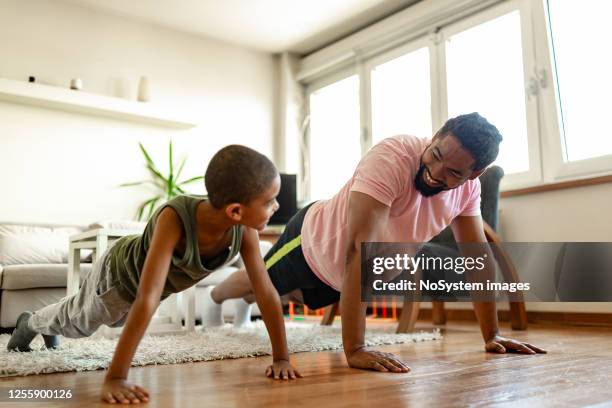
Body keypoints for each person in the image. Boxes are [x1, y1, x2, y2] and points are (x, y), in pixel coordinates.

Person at [208, 112, 546, 374]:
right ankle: (216, 296)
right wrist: (355, 349)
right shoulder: (392, 158)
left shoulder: (468, 191)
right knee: (259, 282)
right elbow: (359, 250)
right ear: (436, 135)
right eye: (437, 153)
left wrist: (492, 335)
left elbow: (476, 260)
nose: (436, 171)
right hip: (313, 242)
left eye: (454, 172)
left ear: (474, 175)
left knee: (286, 296)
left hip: (343, 280)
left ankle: (244, 303)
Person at [7, 145, 302, 404]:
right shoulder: (173, 217)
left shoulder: (244, 231)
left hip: (143, 289)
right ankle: (30, 323)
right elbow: (146, 298)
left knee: (111, 318)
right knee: (80, 324)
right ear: (236, 211)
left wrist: (281, 358)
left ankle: (40, 322)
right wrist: (115, 378)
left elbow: (265, 291)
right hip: (118, 276)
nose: (276, 207)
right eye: (269, 201)